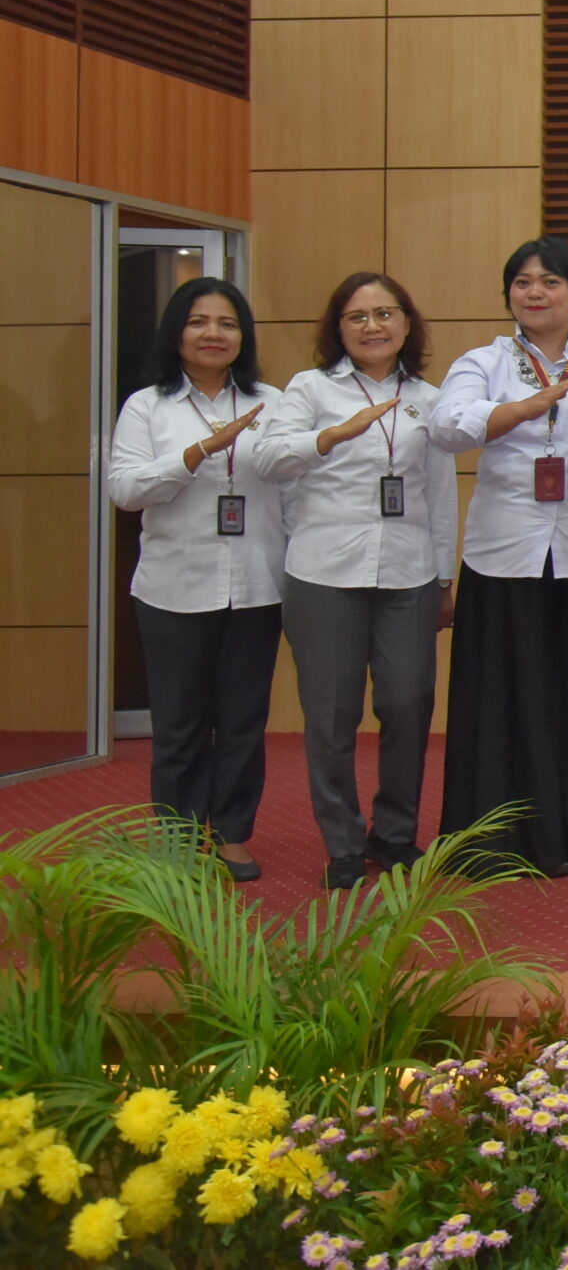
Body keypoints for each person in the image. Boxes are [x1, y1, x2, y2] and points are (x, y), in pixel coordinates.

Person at [428, 237, 568, 877]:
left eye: (550, 282)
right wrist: (524, 408)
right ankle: (509, 838)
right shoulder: (483, 362)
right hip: (507, 554)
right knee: (511, 697)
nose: (535, 292)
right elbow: (446, 429)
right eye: (523, 282)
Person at [254, 272, 458, 891]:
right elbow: (266, 459)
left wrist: (445, 577)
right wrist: (329, 437)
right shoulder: (310, 389)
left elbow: (442, 494)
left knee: (407, 702)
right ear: (338, 328)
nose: (373, 326)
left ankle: (393, 833)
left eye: (385, 313)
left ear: (406, 324)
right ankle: (342, 841)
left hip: (409, 571)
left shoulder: (428, 397)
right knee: (332, 714)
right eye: (357, 316)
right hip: (324, 571)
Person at [107, 277, 290, 883]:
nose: (214, 334)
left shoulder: (273, 400)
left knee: (242, 720)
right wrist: (196, 453)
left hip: (257, 585)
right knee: (181, 725)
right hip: (173, 588)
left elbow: (294, 491)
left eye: (228, 324)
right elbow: (126, 492)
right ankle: (181, 841)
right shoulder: (147, 406)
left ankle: (233, 835)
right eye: (199, 322)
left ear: (244, 336)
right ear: (176, 332)